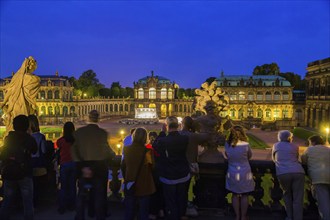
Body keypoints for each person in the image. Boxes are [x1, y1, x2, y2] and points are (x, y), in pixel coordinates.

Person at [71, 110, 115, 220]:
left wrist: (83, 166)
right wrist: (112, 154)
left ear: (88, 118)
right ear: (98, 118)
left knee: (81, 194)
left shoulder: (79, 132)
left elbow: (73, 150)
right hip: (99, 167)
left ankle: (80, 216)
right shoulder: (102, 133)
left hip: (83, 167)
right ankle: (99, 216)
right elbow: (106, 152)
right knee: (99, 196)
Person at [0, 115, 38, 220]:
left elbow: (3, 154)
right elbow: (35, 150)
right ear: (27, 126)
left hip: (10, 171)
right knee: (27, 202)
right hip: (25, 172)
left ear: (14, 126)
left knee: (7, 200)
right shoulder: (29, 138)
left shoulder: (8, 138)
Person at [153, 116, 190, 220]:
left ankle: (172, 216)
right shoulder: (185, 138)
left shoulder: (163, 141)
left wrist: (161, 133)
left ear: (166, 126)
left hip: (168, 175)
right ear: (178, 126)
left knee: (170, 201)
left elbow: (155, 146)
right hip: (183, 173)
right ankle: (182, 215)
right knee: (182, 198)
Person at [1, 56, 40, 137]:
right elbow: (31, 96)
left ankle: (11, 139)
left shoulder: (17, 78)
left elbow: (10, 90)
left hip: (15, 104)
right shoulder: (35, 79)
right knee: (24, 124)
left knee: (15, 124)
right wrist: (34, 104)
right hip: (23, 105)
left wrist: (4, 102)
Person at [123, 127, 156, 220]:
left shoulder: (126, 149)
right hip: (144, 184)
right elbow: (152, 166)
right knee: (143, 211)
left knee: (129, 211)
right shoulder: (148, 151)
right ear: (145, 138)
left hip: (130, 182)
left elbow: (124, 165)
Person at [180, 116, 209, 217]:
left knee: (180, 188)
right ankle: (185, 208)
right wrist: (197, 126)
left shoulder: (178, 134)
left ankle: (180, 209)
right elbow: (207, 135)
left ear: (182, 123)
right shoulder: (194, 136)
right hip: (191, 165)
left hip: (180, 165)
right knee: (187, 187)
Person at [272, 130, 305, 220]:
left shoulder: (276, 145)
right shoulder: (295, 146)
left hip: (283, 172)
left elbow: (274, 159)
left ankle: (289, 217)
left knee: (287, 195)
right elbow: (298, 159)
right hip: (298, 172)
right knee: (298, 198)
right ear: (290, 138)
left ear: (279, 137)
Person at [225, 126, 255, 220]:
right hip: (245, 171)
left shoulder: (227, 144)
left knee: (235, 194)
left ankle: (237, 216)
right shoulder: (245, 144)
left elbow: (227, 155)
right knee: (244, 195)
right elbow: (249, 156)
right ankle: (243, 216)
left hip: (232, 171)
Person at [301, 135, 330, 220]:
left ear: (313, 142)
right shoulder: (328, 149)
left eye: (310, 143)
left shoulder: (309, 149)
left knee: (324, 204)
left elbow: (303, 160)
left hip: (318, 178)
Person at [28, 114, 48, 207]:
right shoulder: (40, 136)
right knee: (38, 186)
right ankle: (37, 203)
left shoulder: (27, 137)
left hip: (28, 164)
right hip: (39, 164)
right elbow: (43, 151)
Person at [56, 121, 76, 214]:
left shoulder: (61, 140)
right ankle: (72, 205)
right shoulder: (76, 140)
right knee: (72, 186)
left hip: (64, 164)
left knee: (63, 186)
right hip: (74, 164)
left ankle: (62, 207)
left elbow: (56, 146)